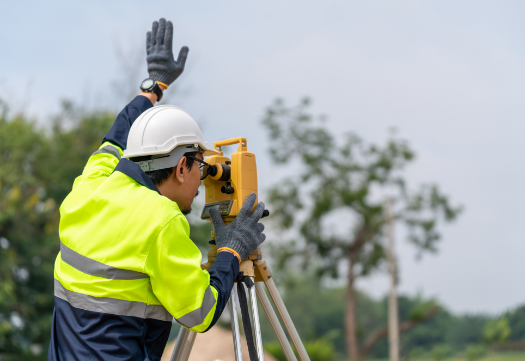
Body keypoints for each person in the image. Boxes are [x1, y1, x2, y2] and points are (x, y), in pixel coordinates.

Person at [48, 18, 266, 361]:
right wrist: (232, 252)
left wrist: (152, 87)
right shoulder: (162, 222)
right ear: (182, 167)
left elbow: (115, 138)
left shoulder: (91, 184)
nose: (202, 180)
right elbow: (201, 312)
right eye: (201, 166)